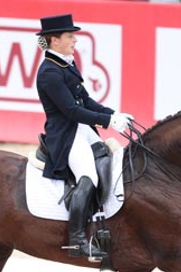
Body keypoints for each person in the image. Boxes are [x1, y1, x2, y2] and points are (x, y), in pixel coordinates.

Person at [35, 13, 133, 259]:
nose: (75, 41)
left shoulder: (66, 63)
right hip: (65, 135)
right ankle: (77, 239)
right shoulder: (49, 72)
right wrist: (107, 121)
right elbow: (70, 110)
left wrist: (114, 114)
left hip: (82, 130)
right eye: (70, 36)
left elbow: (85, 100)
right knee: (87, 175)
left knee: (110, 162)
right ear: (54, 40)